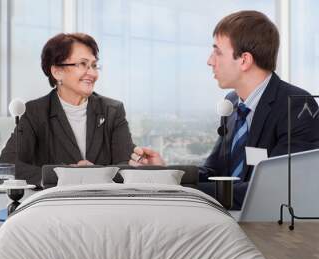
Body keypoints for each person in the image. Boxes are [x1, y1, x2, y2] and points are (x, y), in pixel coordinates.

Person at [129, 10, 319, 209]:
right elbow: (214, 170)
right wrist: (165, 173)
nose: (210, 61)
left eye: (218, 52)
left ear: (244, 60)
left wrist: (177, 189)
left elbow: (273, 191)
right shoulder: (233, 103)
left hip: (272, 230)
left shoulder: (297, 106)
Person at [0, 33, 134, 186]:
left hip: (103, 202)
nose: (93, 73)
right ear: (57, 72)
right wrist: (65, 175)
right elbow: (6, 166)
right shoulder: (35, 112)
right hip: (54, 205)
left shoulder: (113, 110)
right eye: (83, 64)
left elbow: (127, 166)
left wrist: (96, 174)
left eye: (94, 65)